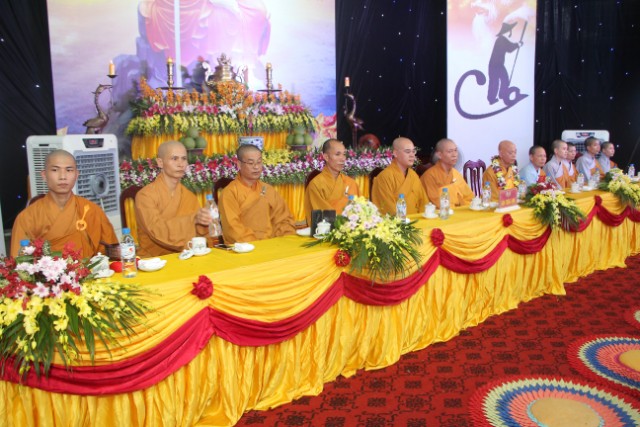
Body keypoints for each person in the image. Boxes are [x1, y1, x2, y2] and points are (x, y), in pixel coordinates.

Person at [10, 150, 117, 257]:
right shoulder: (28, 217)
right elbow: (21, 261)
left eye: (69, 170)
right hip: (47, 268)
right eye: (55, 170)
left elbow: (111, 253)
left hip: (90, 267)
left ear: (76, 175)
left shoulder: (92, 210)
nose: (63, 176)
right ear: (44, 175)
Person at [135, 141, 212, 256]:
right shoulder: (145, 196)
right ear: (160, 162)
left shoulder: (188, 196)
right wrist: (192, 220)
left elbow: (199, 234)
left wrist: (203, 222)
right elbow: (156, 230)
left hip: (186, 255)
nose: (180, 164)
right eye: (174, 158)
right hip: (154, 260)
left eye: (184, 159)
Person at [219, 144, 296, 244]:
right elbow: (233, 229)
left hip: (273, 245)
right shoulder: (229, 193)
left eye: (259, 162)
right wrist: (257, 245)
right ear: (239, 164)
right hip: (246, 248)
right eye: (251, 163)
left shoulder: (268, 189)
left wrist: (286, 240)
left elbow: (284, 219)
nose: (256, 167)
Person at [304, 139, 360, 225]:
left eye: (344, 154)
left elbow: (360, 207)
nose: (342, 159)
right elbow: (321, 215)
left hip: (352, 228)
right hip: (327, 229)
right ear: (326, 157)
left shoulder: (351, 183)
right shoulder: (316, 184)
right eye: (337, 154)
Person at [371, 137, 428, 215]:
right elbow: (387, 209)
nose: (412, 155)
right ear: (395, 153)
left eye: (413, 151)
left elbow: (424, 203)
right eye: (407, 151)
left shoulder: (413, 175)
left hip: (418, 219)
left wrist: (425, 217)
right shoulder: (384, 177)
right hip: (399, 221)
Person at [420, 138, 474, 208]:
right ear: (439, 155)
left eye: (455, 150)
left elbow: (469, 197)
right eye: (450, 151)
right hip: (441, 213)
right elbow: (437, 203)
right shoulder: (430, 176)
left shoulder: (456, 173)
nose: (454, 155)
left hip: (461, 211)